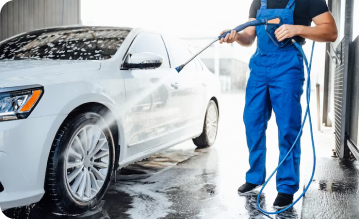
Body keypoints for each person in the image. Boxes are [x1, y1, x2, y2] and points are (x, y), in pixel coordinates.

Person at [220, 0, 337, 209]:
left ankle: (286, 186)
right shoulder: (259, 2)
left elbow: (330, 32)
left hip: (287, 67)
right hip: (259, 66)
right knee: (252, 122)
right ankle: (255, 176)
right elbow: (249, 37)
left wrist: (298, 29)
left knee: (287, 128)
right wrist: (236, 36)